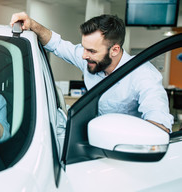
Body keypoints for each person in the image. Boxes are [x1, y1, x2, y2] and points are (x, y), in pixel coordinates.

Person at [10, 12, 173, 133]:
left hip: (128, 148)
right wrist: (32, 24)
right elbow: (57, 44)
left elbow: (159, 126)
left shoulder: (143, 75)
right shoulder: (90, 59)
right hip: (96, 139)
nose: (83, 55)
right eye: (84, 47)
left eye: (91, 51)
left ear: (115, 50)